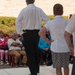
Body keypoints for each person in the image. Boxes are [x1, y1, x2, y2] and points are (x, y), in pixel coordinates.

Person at [15, 0, 50, 75]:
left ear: (26, 1)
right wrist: (43, 30)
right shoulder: (39, 10)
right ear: (34, 1)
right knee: (35, 52)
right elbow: (47, 20)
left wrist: (20, 32)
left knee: (30, 53)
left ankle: (33, 73)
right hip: (36, 33)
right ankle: (36, 70)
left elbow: (17, 21)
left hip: (27, 33)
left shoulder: (24, 10)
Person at [39, 4, 70, 75]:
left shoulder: (50, 23)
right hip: (66, 46)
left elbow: (40, 32)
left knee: (58, 67)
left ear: (53, 12)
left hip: (55, 47)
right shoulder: (67, 21)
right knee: (66, 66)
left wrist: (47, 41)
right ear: (62, 12)